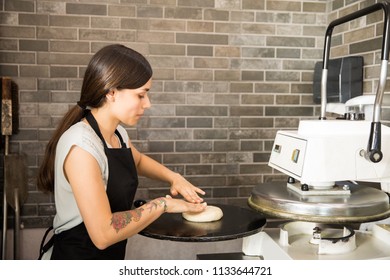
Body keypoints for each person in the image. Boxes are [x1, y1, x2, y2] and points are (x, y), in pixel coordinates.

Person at [37, 44, 207, 260]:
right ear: (111, 92)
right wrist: (162, 205)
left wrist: (174, 177)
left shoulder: (117, 134)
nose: (148, 104)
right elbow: (103, 234)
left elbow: (138, 161)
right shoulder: (81, 148)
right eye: (141, 95)